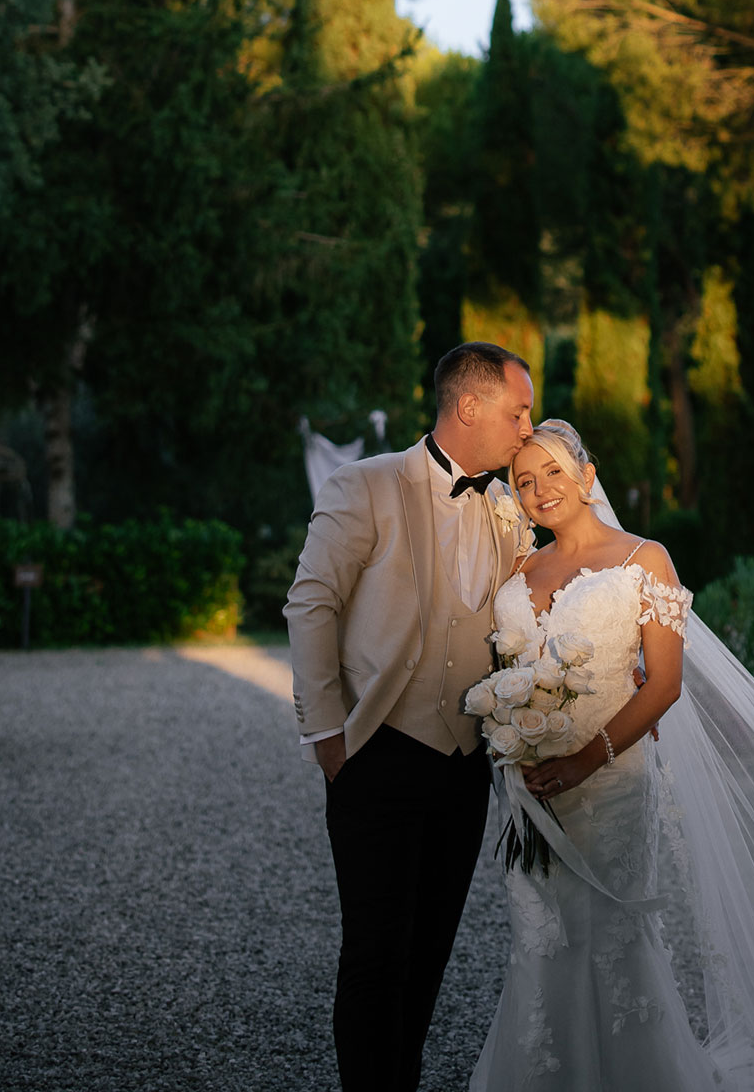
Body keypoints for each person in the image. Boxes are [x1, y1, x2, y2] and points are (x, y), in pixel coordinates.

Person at [470, 419, 754, 1092]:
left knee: (613, 933)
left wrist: (586, 758)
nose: (539, 489)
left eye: (553, 471)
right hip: (532, 789)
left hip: (610, 781)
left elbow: (665, 684)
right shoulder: (521, 568)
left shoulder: (644, 560)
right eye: (524, 481)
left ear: (587, 477)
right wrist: (516, 747)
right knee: (542, 934)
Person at [284, 341, 535, 1092]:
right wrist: (328, 738)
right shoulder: (363, 485)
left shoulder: (503, 508)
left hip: (466, 770)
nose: (527, 427)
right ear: (469, 407)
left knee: (428, 957)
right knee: (374, 954)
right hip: (377, 756)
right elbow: (310, 603)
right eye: (517, 412)